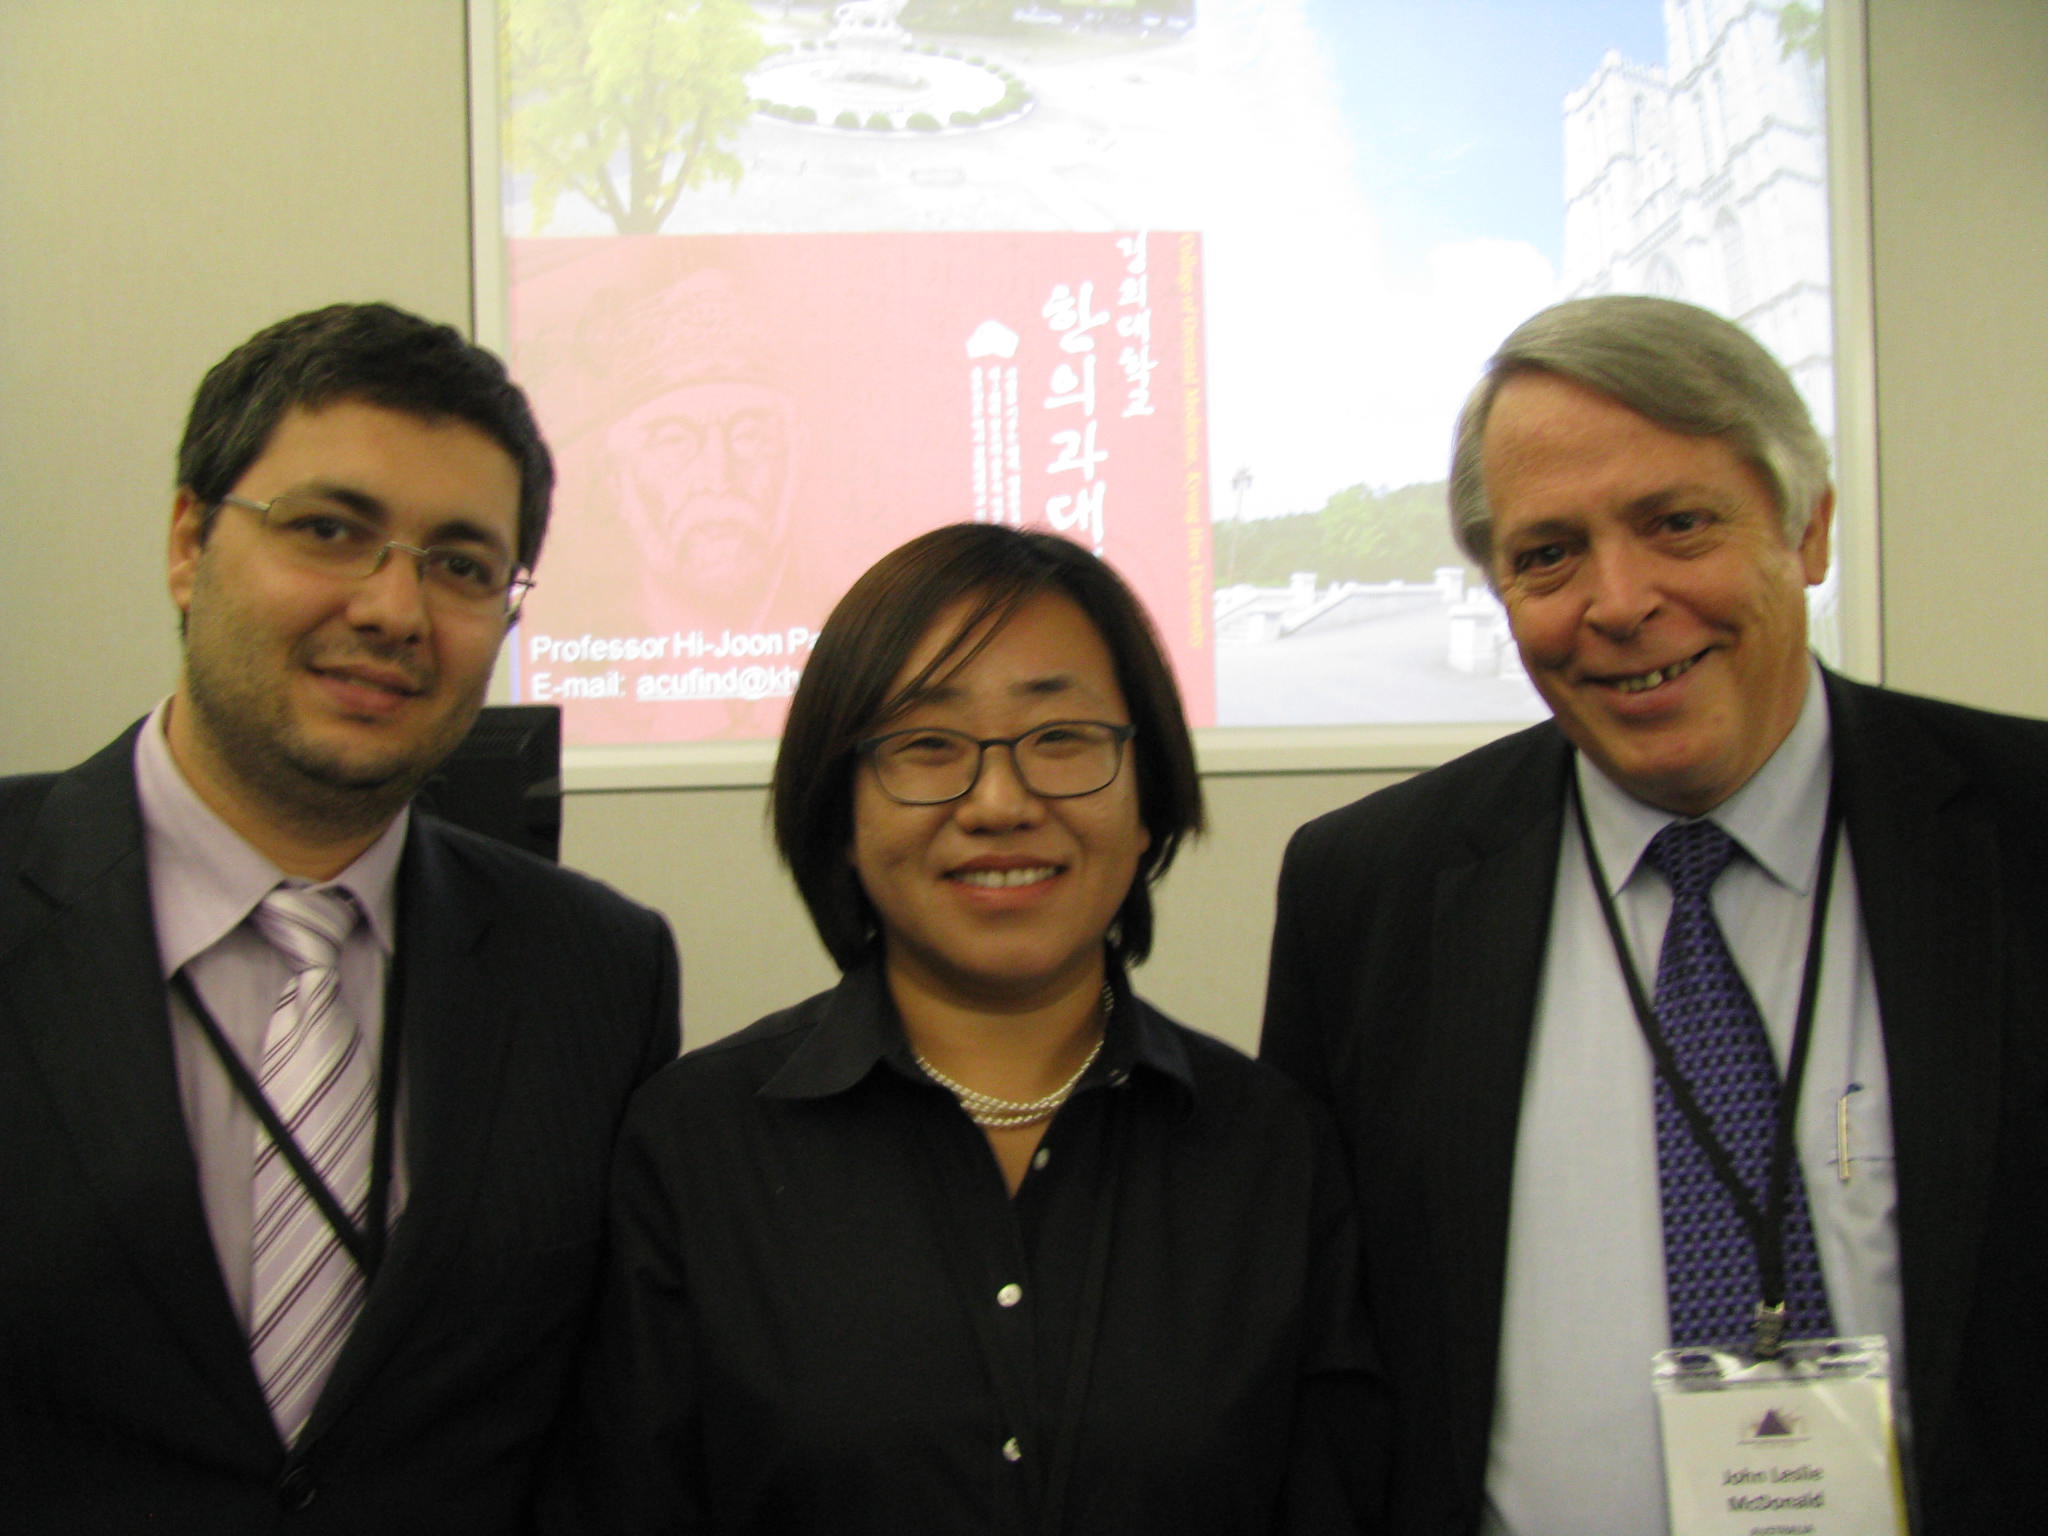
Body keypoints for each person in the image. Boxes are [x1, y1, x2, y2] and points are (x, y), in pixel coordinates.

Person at [1260, 293, 2048, 1535]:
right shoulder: (1366, 895)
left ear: (1806, 530)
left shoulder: (2024, 833)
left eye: (1675, 523)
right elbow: (1326, 1365)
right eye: (1546, 554)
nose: (1616, 601)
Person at [542, 523, 1381, 1534]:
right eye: (926, 746)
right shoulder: (690, 1148)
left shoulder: (1271, 1153)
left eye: (1061, 739)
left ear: (1146, 795)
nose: (998, 802)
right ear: (841, 814)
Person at [0, 303, 681, 1534]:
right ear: (188, 542)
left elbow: (599, 1435)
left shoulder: (598, 970)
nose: (392, 610)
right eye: (330, 531)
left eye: (463, 566)